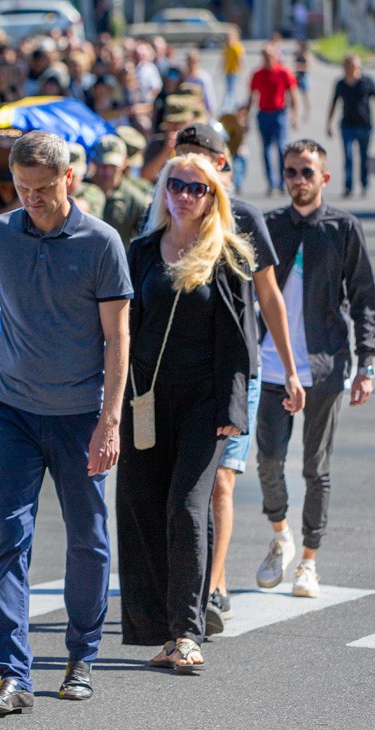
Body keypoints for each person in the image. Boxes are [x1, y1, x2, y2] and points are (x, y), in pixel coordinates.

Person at [0, 130, 131, 712]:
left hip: (79, 415)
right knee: (9, 538)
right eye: (21, 188)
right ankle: (13, 675)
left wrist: (110, 421)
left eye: (43, 189)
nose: (32, 200)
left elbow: (118, 338)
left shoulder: (101, 243)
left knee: (88, 542)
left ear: (69, 178)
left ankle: (80, 657)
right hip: (12, 411)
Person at [116, 154, 255, 674]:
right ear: (163, 191)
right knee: (143, 509)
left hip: (204, 404)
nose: (184, 194)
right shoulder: (142, 251)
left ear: (212, 196)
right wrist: (112, 402)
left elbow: (239, 341)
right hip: (145, 399)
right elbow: (121, 328)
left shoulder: (227, 255)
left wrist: (232, 408)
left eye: (196, 187)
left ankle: (187, 632)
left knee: (187, 507)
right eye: (175, 185)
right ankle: (159, 630)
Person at [170, 123, 306, 633]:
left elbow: (269, 296)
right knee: (180, 485)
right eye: (180, 160)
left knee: (222, 480)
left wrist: (289, 370)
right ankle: (185, 581)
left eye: (199, 160)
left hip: (232, 372)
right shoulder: (162, 212)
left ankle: (214, 585)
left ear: (221, 165)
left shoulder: (243, 217)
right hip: (173, 373)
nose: (186, 175)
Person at [254, 140, 375, 598]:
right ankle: (280, 533)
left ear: (323, 177)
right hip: (271, 366)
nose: (297, 181)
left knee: (315, 467)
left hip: (325, 366)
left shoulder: (342, 228)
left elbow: (364, 297)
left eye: (306, 172)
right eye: (290, 172)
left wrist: (367, 363)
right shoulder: (269, 227)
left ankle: (309, 560)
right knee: (268, 458)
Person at [249, 46, 300, 196]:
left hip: (279, 114)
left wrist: (295, 115)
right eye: (264, 56)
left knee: (282, 148)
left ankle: (284, 181)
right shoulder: (258, 74)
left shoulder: (284, 72)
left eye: (269, 56)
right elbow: (252, 96)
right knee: (265, 149)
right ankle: (271, 182)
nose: (266, 59)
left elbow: (293, 93)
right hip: (263, 114)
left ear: (275, 57)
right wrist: (245, 115)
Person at [325, 54, 375, 198]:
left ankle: (364, 184)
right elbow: (334, 103)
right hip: (347, 125)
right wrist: (329, 123)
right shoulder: (340, 84)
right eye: (347, 66)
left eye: (352, 66)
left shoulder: (367, 82)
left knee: (364, 157)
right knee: (348, 156)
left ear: (358, 67)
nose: (349, 69)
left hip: (364, 125)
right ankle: (348, 186)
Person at [88, 134, 149, 247]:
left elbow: (146, 236)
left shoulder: (134, 198)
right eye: (103, 165)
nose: (107, 172)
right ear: (93, 161)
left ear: (124, 162)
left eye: (113, 166)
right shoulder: (80, 190)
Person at [222, 30, 245, 112]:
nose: (227, 40)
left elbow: (239, 59)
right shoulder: (225, 47)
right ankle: (235, 104)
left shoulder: (236, 47)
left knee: (231, 89)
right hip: (227, 71)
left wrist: (241, 70)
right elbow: (224, 58)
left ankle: (228, 106)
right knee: (230, 89)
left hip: (234, 71)